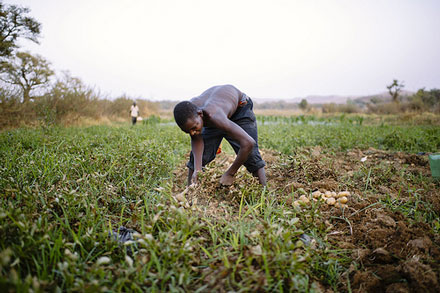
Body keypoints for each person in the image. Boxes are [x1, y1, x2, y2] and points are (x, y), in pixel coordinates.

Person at [173, 84, 266, 186]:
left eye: (194, 129)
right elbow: (196, 139)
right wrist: (197, 169)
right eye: (188, 131)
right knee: (199, 157)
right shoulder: (190, 114)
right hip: (214, 114)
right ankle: (190, 191)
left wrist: (230, 173)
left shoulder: (214, 116)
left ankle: (264, 195)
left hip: (240, 108)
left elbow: (249, 143)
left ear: (200, 114)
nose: (192, 133)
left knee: (251, 156)